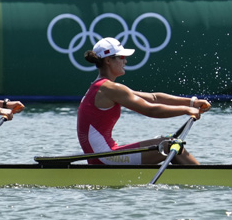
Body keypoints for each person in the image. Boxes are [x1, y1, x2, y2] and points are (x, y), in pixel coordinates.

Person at [77, 37, 208, 165]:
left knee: (166, 142)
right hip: (104, 158)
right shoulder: (109, 88)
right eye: (121, 57)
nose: (125, 61)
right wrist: (186, 110)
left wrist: (191, 102)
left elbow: (153, 98)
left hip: (104, 155)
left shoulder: (103, 87)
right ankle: (206, 180)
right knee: (168, 145)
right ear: (108, 60)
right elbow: (151, 110)